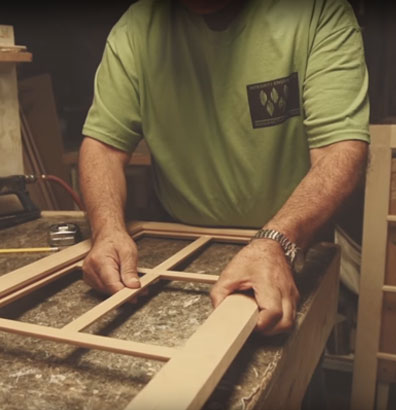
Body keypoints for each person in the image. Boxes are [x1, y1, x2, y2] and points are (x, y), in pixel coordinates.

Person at [79, 0, 370, 336]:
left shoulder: (317, 11)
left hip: (293, 242)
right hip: (179, 237)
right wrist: (107, 230)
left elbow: (341, 150)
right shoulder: (138, 27)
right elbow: (103, 146)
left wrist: (276, 242)